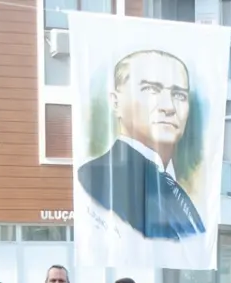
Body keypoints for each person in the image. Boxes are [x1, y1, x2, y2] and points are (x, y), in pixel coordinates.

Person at [77, 50, 204, 241]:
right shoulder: (96, 178)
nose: (168, 107)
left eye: (179, 95)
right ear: (115, 102)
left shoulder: (177, 189)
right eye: (151, 90)